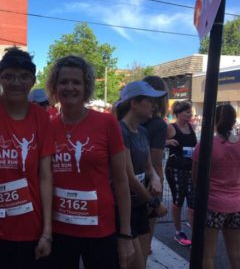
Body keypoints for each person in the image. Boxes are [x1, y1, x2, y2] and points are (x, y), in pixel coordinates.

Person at [0, 47, 54, 269]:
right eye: (9, 76)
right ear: (0, 78)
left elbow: (45, 176)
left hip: (30, 228)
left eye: (24, 76)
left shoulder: (41, 118)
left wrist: (46, 232)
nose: (16, 82)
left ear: (33, 81)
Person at [45, 55, 134, 269]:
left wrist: (125, 234)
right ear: (55, 87)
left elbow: (121, 182)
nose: (69, 87)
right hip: (60, 232)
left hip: (100, 230)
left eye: (76, 82)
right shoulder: (47, 126)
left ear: (86, 87)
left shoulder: (106, 122)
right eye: (63, 82)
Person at [115, 81, 167, 269]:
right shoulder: (119, 130)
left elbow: (148, 165)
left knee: (141, 263)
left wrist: (154, 177)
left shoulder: (143, 131)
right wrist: (154, 202)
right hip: (123, 208)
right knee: (133, 263)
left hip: (140, 206)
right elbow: (127, 175)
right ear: (134, 103)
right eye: (150, 100)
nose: (155, 105)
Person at [192, 104, 240, 269]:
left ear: (215, 120)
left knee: (208, 254)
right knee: (235, 254)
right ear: (234, 121)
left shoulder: (206, 144)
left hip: (213, 203)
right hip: (236, 204)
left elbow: (196, 177)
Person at [142, 76, 169, 254]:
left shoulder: (131, 120)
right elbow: (156, 162)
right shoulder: (158, 124)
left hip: (126, 186)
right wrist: (157, 198)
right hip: (146, 188)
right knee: (144, 246)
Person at [165, 100, 197, 247]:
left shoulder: (191, 127)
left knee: (193, 200)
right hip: (175, 168)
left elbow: (195, 146)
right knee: (178, 199)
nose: (190, 115)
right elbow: (155, 143)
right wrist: (167, 142)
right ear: (178, 113)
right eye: (187, 112)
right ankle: (178, 232)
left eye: (190, 112)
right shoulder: (171, 127)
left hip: (190, 168)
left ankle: (196, 231)